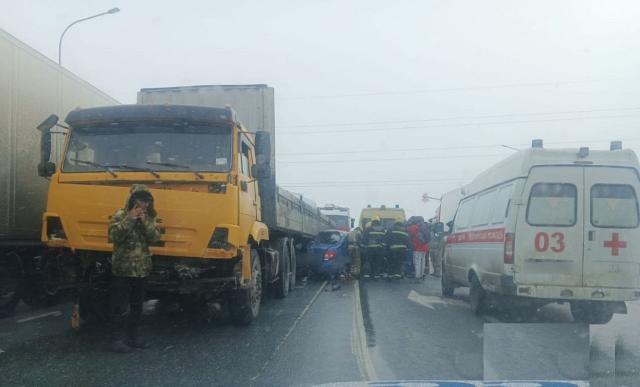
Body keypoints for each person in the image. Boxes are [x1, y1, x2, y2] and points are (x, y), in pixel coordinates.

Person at [108, 185, 161, 353]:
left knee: (138, 306)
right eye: (140, 200)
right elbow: (113, 236)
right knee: (120, 306)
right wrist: (130, 219)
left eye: (146, 201)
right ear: (132, 200)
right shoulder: (120, 215)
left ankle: (134, 336)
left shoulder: (150, 218)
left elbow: (155, 238)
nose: (143, 204)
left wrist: (144, 221)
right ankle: (117, 339)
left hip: (141, 269)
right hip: (122, 269)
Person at [407, 216, 430, 282]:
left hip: (417, 247)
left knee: (417, 262)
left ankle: (417, 276)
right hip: (425, 247)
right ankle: (422, 275)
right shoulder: (424, 227)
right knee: (422, 262)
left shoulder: (413, 227)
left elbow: (409, 235)